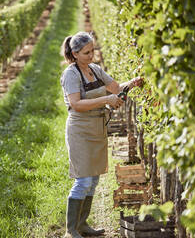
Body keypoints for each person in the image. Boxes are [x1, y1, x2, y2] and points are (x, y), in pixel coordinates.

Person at [60, 32, 143, 238]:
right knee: (83, 180)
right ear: (75, 54)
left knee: (93, 179)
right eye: (87, 52)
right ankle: (71, 229)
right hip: (80, 130)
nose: (91, 55)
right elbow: (76, 104)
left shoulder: (95, 70)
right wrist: (106, 100)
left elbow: (115, 87)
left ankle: (82, 224)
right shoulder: (71, 74)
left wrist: (131, 83)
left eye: (93, 50)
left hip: (97, 128)